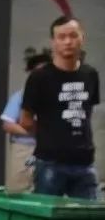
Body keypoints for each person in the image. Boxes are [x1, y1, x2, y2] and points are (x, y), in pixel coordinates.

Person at [20, 16, 101, 199]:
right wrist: (49, 133)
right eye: (62, 37)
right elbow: (25, 120)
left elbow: (87, 113)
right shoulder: (39, 78)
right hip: (50, 161)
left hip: (84, 161)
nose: (68, 42)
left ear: (82, 38)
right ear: (53, 42)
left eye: (73, 36)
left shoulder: (90, 74)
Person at [1, 53, 50, 193]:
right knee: (18, 190)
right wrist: (36, 133)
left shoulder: (58, 95)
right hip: (24, 148)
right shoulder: (21, 96)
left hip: (52, 151)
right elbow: (7, 125)